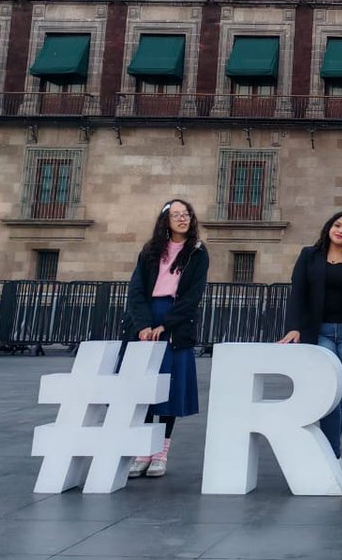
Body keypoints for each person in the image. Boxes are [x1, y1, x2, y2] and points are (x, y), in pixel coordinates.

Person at [123, 199, 209, 478]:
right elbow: (136, 289)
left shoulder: (197, 252)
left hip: (176, 322)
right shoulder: (149, 251)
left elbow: (192, 296)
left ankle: (161, 452)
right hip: (147, 318)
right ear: (166, 220)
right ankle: (142, 451)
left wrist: (166, 326)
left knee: (168, 389)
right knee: (144, 388)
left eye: (186, 214)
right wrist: (143, 325)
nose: (183, 219)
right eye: (176, 215)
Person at [279, 210, 342, 460]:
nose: (341, 230)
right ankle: (332, 455)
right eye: (337, 225)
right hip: (319, 333)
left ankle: (332, 454)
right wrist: (293, 327)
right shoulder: (309, 256)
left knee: (341, 397)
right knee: (327, 393)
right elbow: (297, 293)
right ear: (329, 227)